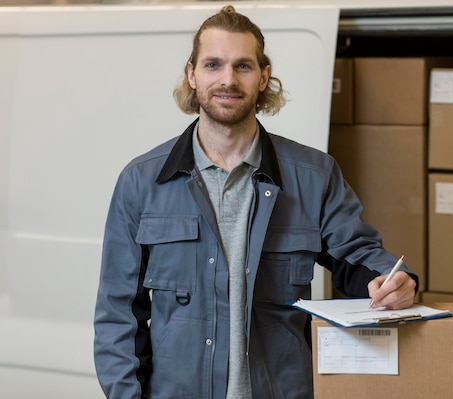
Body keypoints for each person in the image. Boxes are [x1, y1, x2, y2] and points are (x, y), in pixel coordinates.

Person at [93, 5, 418, 399]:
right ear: (191, 74)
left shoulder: (314, 176)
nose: (227, 80)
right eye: (213, 64)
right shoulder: (142, 182)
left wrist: (393, 280)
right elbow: (118, 317)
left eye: (243, 66)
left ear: (264, 76)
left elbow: (358, 256)